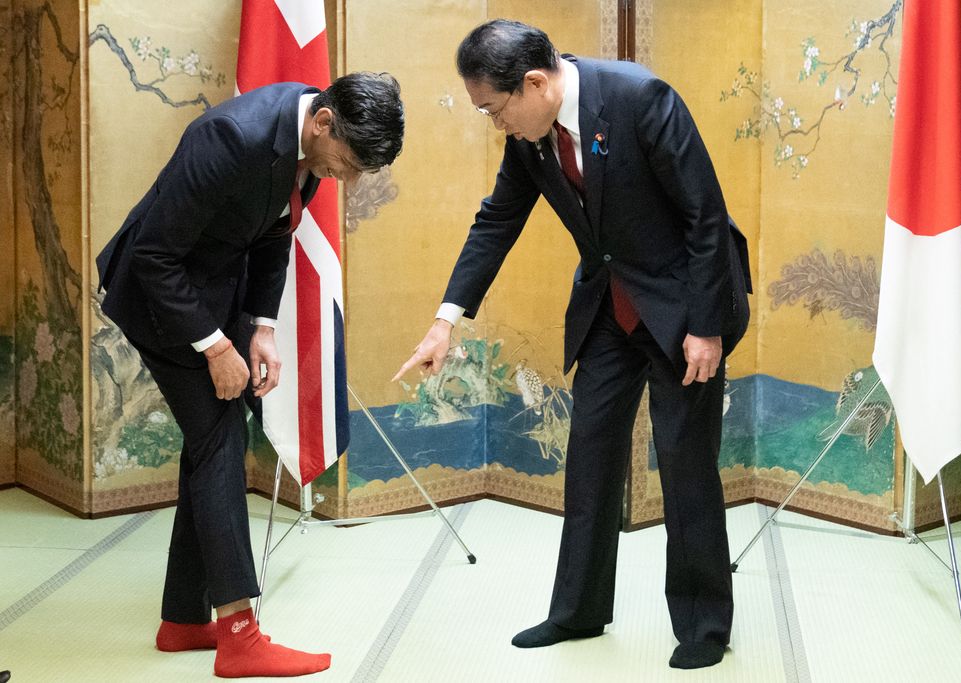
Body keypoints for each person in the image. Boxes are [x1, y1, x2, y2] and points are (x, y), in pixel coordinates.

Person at [393, 20, 750, 670]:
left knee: (684, 462)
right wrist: (446, 319)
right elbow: (497, 218)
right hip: (608, 306)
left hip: (682, 304)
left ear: (534, 83)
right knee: (587, 454)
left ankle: (703, 624)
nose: (494, 123)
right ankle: (578, 610)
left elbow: (705, 213)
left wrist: (707, 325)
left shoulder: (642, 99)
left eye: (495, 110)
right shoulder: (532, 138)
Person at [96, 72, 404, 678]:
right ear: (323, 123)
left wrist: (261, 326)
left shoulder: (311, 141)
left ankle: (184, 620)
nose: (347, 179)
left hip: (213, 287)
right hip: (157, 296)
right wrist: (215, 347)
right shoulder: (229, 138)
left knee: (210, 443)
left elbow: (273, 237)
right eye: (346, 163)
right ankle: (239, 635)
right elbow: (155, 255)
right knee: (219, 442)